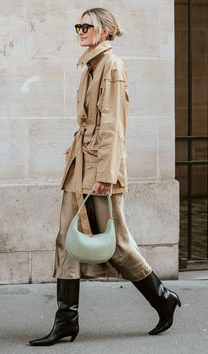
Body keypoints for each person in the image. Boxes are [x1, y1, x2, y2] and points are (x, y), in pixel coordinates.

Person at [29, 7, 181, 347]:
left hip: (99, 170)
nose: (81, 30)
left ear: (106, 31)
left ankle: (162, 298)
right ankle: (66, 320)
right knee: (67, 240)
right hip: (80, 166)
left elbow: (114, 125)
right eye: (78, 25)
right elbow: (90, 123)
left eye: (88, 26)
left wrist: (106, 174)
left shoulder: (111, 66)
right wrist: (75, 150)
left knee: (116, 244)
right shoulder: (90, 65)